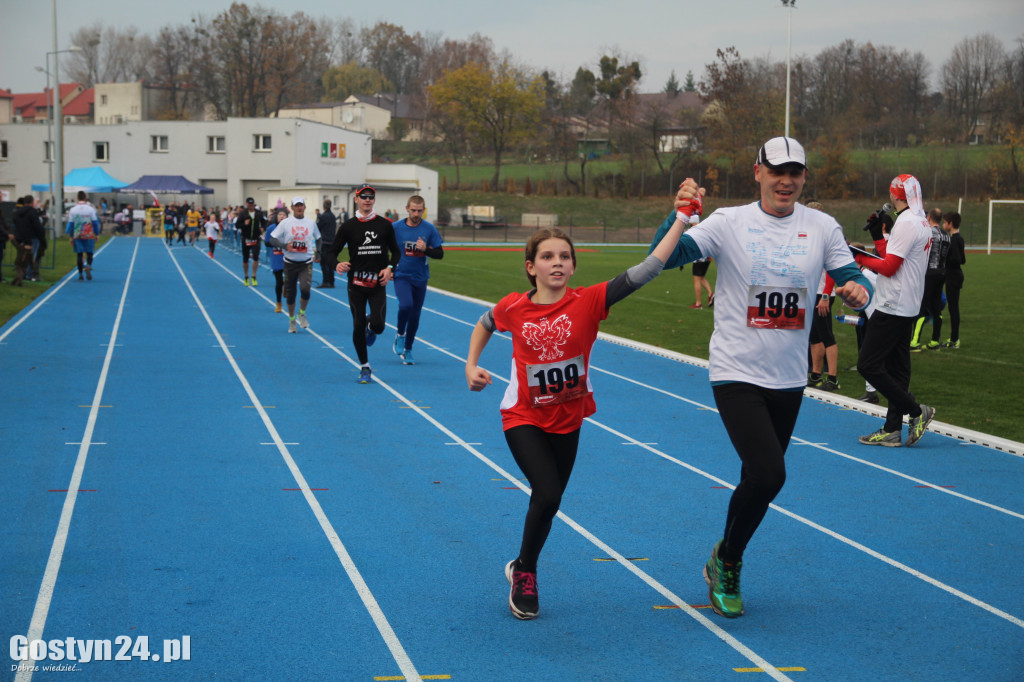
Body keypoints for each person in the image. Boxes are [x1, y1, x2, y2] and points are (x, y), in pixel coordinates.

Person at [650, 136, 872, 619]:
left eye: (795, 172)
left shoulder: (823, 227)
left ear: (804, 178)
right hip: (736, 370)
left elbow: (855, 275)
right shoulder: (729, 222)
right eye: (777, 171)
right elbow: (665, 258)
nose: (786, 180)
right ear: (757, 172)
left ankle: (722, 558)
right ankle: (729, 562)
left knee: (759, 479)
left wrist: (858, 289)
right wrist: (680, 215)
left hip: (789, 377)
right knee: (771, 472)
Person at [465, 212, 693, 620]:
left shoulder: (589, 301)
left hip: (569, 420)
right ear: (530, 267)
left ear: (573, 266)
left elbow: (648, 269)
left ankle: (520, 563)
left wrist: (681, 218)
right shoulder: (513, 307)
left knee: (550, 501)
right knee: (548, 492)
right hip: (523, 417)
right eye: (548, 256)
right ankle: (527, 574)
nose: (557, 262)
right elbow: (484, 323)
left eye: (565, 256)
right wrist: (471, 365)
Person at [854, 174, 935, 447]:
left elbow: (889, 267)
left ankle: (915, 410)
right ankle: (891, 429)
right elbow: (893, 255)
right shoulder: (920, 220)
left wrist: (857, 256)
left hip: (893, 303)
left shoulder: (906, 223)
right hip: (909, 303)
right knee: (898, 370)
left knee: (868, 364)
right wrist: (878, 235)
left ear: (894, 194)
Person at [328, 184, 400, 384]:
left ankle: (371, 324)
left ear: (374, 200)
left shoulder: (385, 225)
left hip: (377, 283)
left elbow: (396, 252)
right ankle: (365, 367)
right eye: (363, 196)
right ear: (356, 199)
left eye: (371, 197)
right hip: (356, 284)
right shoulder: (348, 226)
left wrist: (389, 268)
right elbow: (331, 252)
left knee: (378, 326)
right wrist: (337, 264)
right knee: (357, 324)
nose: (367, 200)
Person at [391, 195, 444, 365]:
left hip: (420, 277)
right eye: (413, 210)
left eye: (419, 210)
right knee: (405, 305)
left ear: (423, 210)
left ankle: (408, 349)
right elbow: (384, 248)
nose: (416, 213)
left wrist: (426, 249)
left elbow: (440, 254)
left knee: (415, 315)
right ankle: (400, 334)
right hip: (401, 275)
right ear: (407, 208)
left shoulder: (429, 229)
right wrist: (388, 267)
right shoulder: (396, 228)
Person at [269, 197, 321, 333]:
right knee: (291, 294)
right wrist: (285, 245)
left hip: (306, 262)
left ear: (304, 207)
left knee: (305, 290)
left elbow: (319, 238)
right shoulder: (285, 223)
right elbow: (272, 239)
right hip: (290, 263)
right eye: (296, 205)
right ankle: (292, 320)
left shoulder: (310, 223)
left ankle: (302, 313)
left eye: (301, 205)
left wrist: (319, 252)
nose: (299, 207)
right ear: (292, 208)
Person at [910, 207, 950, 351]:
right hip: (941, 273)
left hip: (928, 273)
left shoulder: (928, 233)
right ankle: (935, 341)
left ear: (929, 218)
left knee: (921, 307)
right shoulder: (947, 236)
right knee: (936, 308)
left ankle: (914, 342)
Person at [941, 211, 965, 349]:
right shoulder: (959, 238)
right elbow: (963, 260)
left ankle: (955, 340)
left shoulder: (954, 240)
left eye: (945, 222)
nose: (943, 224)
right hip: (956, 275)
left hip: (953, 277)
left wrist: (945, 260)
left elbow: (957, 259)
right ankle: (954, 338)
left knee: (953, 309)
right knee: (953, 308)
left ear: (950, 224)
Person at [66, 191, 101, 282]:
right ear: (85, 198)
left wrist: (70, 236)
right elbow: (95, 223)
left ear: (77, 198)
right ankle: (88, 266)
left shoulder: (73, 209)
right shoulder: (90, 209)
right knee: (90, 253)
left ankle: (80, 275)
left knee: (79, 254)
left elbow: (71, 224)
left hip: (78, 234)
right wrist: (97, 234)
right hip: (88, 233)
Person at [237, 197, 267, 286]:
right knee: (245, 259)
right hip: (246, 238)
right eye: (249, 205)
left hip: (256, 238)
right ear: (246, 204)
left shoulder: (259, 213)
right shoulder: (243, 213)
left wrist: (263, 228)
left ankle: (254, 276)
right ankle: (246, 276)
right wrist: (244, 224)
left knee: (256, 257)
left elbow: (264, 221)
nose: (251, 206)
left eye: (252, 205)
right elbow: (237, 224)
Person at [11, 196, 39, 286]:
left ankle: (17, 279)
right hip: (26, 240)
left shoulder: (17, 212)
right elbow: (33, 226)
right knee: (24, 263)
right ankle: (21, 279)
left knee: (21, 263)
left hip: (19, 238)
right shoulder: (32, 212)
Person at [265, 209, 287, 313]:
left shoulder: (291, 228)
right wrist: (276, 243)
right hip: (276, 257)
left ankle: (286, 284)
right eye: (280, 215)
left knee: (289, 278)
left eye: (284, 215)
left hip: (288, 257)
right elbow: (266, 243)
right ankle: (278, 303)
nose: (281, 216)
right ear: (276, 217)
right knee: (278, 281)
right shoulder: (271, 228)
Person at [316, 199, 338, 288]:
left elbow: (318, 227)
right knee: (330, 261)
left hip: (325, 241)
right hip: (332, 241)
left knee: (324, 262)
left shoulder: (323, 216)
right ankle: (331, 281)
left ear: (323, 206)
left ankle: (326, 281)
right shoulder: (333, 216)